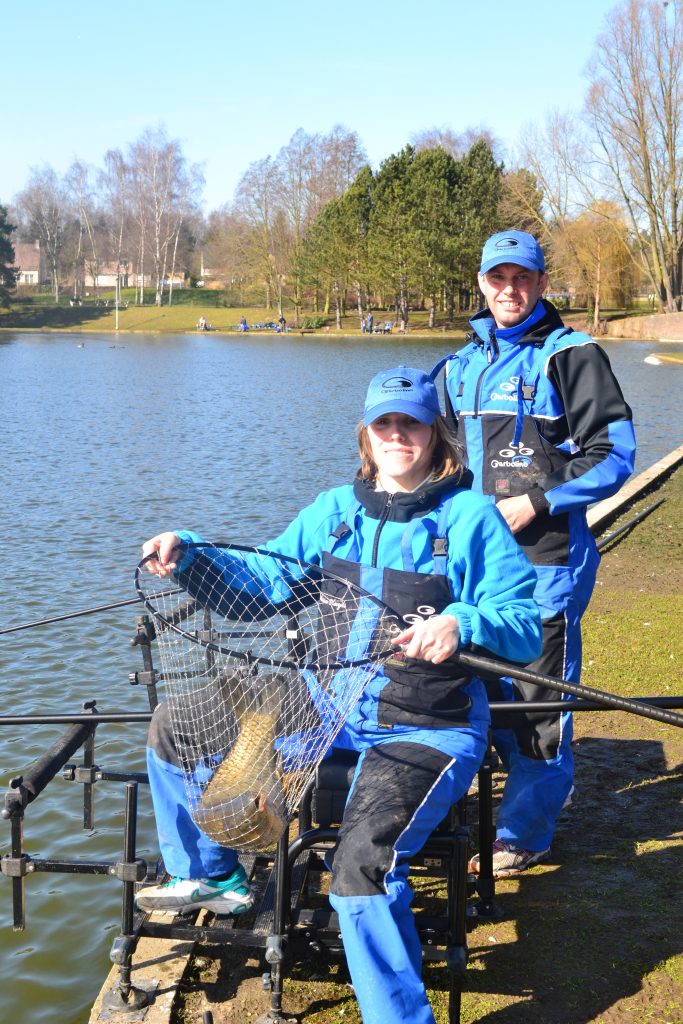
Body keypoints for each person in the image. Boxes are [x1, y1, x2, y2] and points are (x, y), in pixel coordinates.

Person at [136, 364, 542, 1024]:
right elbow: (260, 580)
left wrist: (462, 622)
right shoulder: (332, 512)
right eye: (384, 423)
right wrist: (189, 556)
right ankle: (214, 874)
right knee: (175, 727)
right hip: (326, 706)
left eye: (409, 423)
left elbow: (524, 626)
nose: (396, 435)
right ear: (366, 433)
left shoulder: (469, 519)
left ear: (435, 435)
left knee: (360, 869)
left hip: (424, 726)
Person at [432, 230, 636, 877]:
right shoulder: (458, 365)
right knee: (458, 683)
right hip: (469, 572)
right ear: (481, 283)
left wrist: (539, 500)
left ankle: (526, 829)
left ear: (542, 284)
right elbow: (429, 467)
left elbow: (615, 454)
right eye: (498, 278)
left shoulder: (570, 355)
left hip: (544, 564)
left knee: (537, 703)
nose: (509, 289)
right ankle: (452, 792)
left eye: (522, 278)